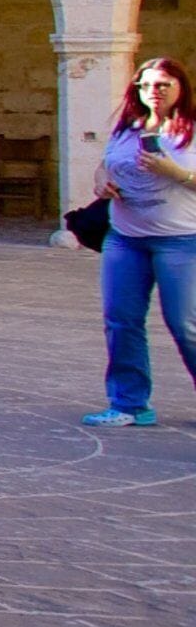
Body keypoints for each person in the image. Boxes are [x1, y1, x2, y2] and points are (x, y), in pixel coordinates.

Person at [86, 57, 196, 427]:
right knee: (121, 320)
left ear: (180, 88)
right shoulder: (127, 129)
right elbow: (106, 164)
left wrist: (175, 172)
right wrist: (102, 181)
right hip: (126, 240)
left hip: (180, 241)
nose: (155, 91)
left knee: (185, 324)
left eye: (164, 84)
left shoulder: (191, 131)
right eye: (147, 84)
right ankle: (130, 403)